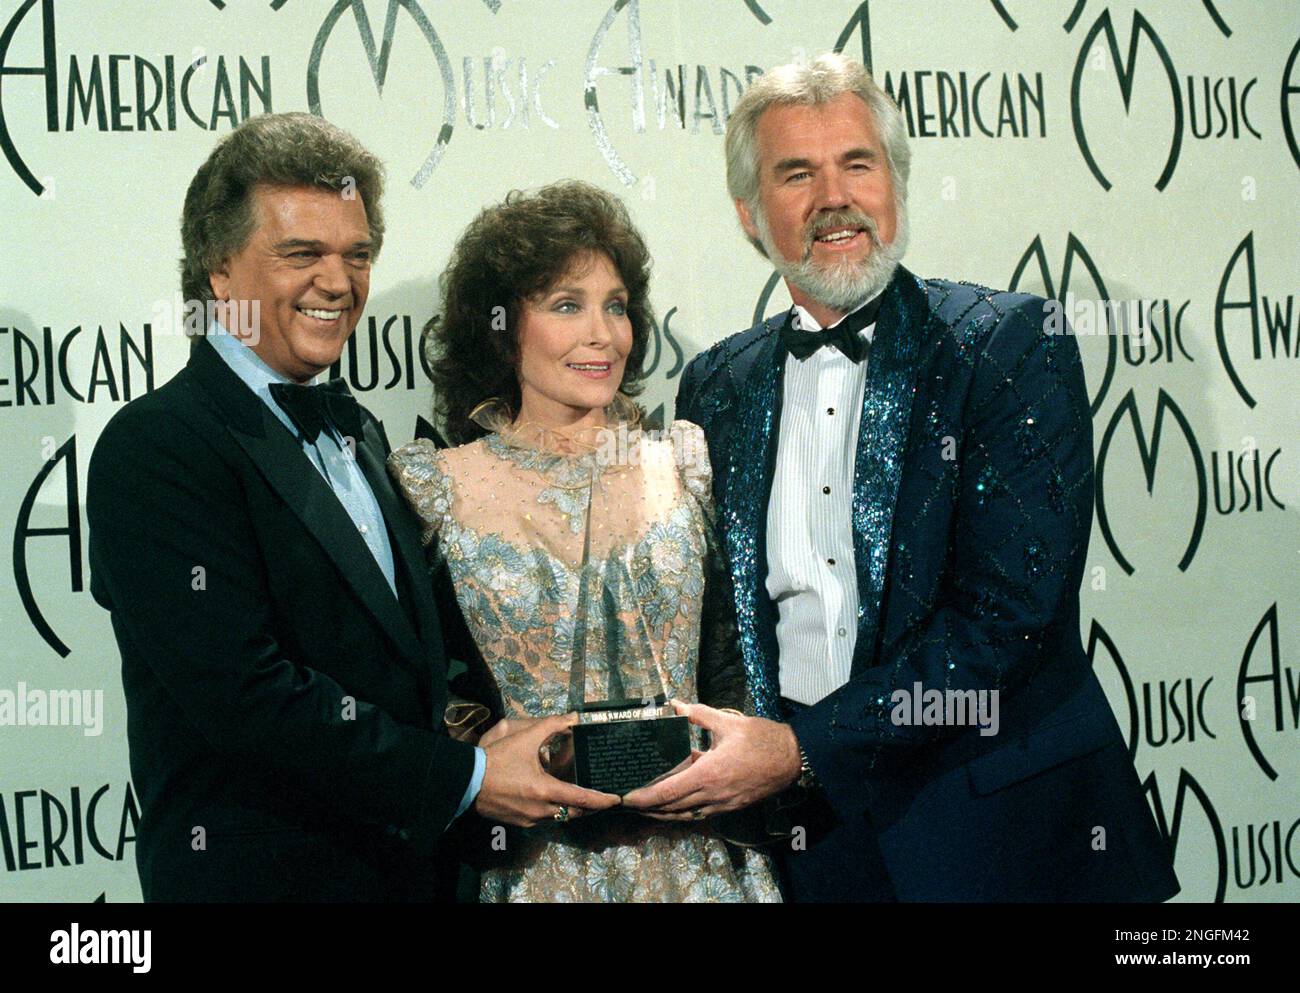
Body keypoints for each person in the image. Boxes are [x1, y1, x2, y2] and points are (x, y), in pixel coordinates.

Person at [624, 54, 1181, 903]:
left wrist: (805, 748)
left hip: (1007, 837)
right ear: (750, 215)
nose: (834, 197)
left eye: (858, 163)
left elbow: (1006, 623)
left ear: (897, 182)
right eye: (796, 173)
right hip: (810, 845)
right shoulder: (715, 383)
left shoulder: (1007, 343)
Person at [85, 113, 617, 903]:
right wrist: (468, 775)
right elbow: (248, 699)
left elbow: (408, 667)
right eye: (302, 254)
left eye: (357, 254)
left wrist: (493, 738)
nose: (338, 282)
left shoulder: (359, 428)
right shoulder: (158, 446)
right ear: (219, 271)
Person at [387, 180, 781, 902]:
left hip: (695, 858)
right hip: (535, 867)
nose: (604, 333)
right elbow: (414, 686)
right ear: (503, 328)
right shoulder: (435, 486)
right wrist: (475, 755)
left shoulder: (683, 462)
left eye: (617, 306)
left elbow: (731, 660)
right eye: (567, 304)